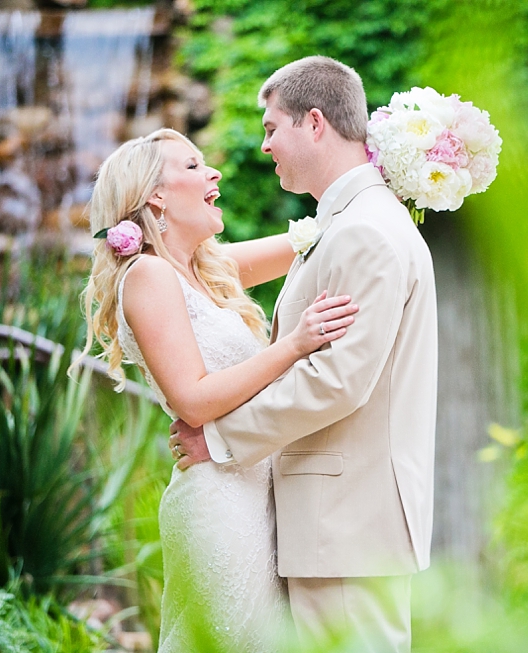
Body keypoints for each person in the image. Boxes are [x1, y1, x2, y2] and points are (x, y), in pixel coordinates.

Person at [169, 56, 439, 652]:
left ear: (314, 123)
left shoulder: (364, 231)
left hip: (347, 523)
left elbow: (336, 381)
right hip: (333, 524)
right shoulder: (348, 223)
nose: (265, 145)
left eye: (271, 128)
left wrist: (218, 440)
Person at [72, 127, 359, 652]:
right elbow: (194, 399)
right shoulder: (148, 275)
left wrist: (388, 178)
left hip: (255, 491)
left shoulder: (207, 270)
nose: (214, 174)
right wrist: (294, 344)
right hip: (220, 506)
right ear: (155, 195)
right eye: (193, 166)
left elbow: (314, 238)